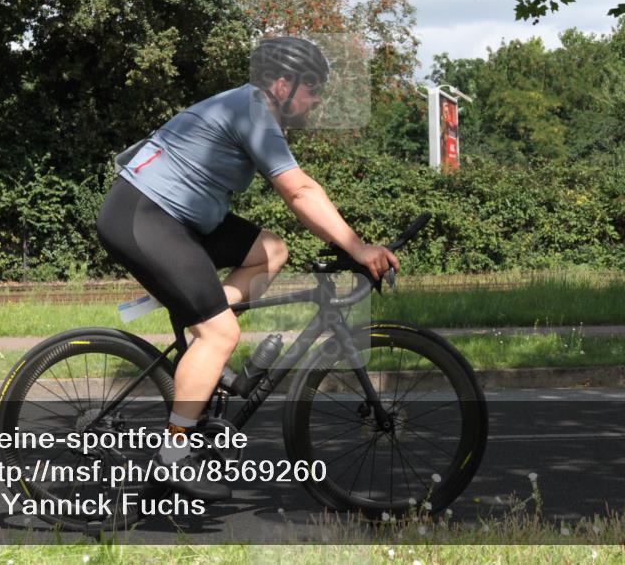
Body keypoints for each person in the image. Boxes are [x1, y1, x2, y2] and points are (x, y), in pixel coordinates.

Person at [96, 36, 399, 500]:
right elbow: (300, 192)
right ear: (283, 84)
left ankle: (205, 335)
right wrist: (357, 247)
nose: (316, 99)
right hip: (145, 215)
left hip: (180, 217)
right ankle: (172, 457)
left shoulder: (252, 107)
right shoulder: (255, 110)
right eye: (312, 88)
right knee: (222, 334)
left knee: (272, 251)